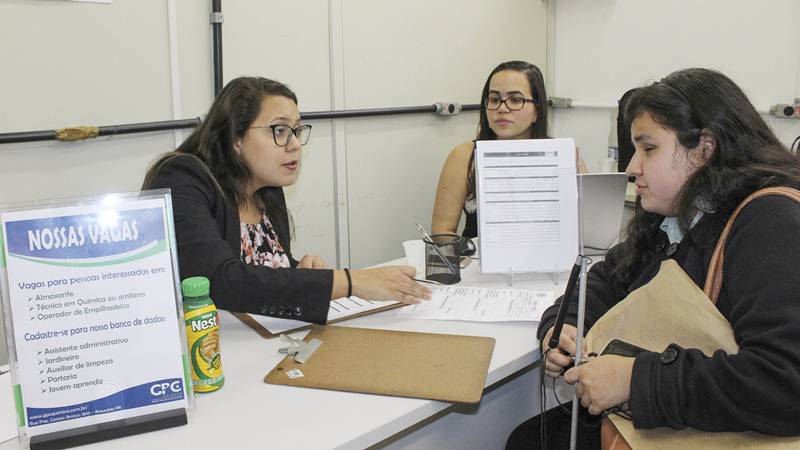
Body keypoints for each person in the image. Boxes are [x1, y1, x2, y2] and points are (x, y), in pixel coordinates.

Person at [507, 68, 800, 449]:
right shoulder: (676, 218)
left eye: (649, 149)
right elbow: (606, 280)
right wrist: (562, 326)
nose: (632, 167)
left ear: (705, 148)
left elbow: (785, 380)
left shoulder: (770, 221)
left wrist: (636, 379)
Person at [143, 76, 431, 324]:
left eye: (297, 131)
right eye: (279, 131)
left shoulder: (267, 189)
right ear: (236, 138)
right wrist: (350, 281)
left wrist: (297, 269)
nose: (294, 145)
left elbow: (259, 271)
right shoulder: (182, 177)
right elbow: (220, 280)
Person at [431, 61, 549, 238]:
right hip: (475, 255)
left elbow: (584, 227)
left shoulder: (566, 155)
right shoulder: (465, 156)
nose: (502, 108)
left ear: (537, 110)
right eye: (494, 100)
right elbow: (441, 232)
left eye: (515, 100)